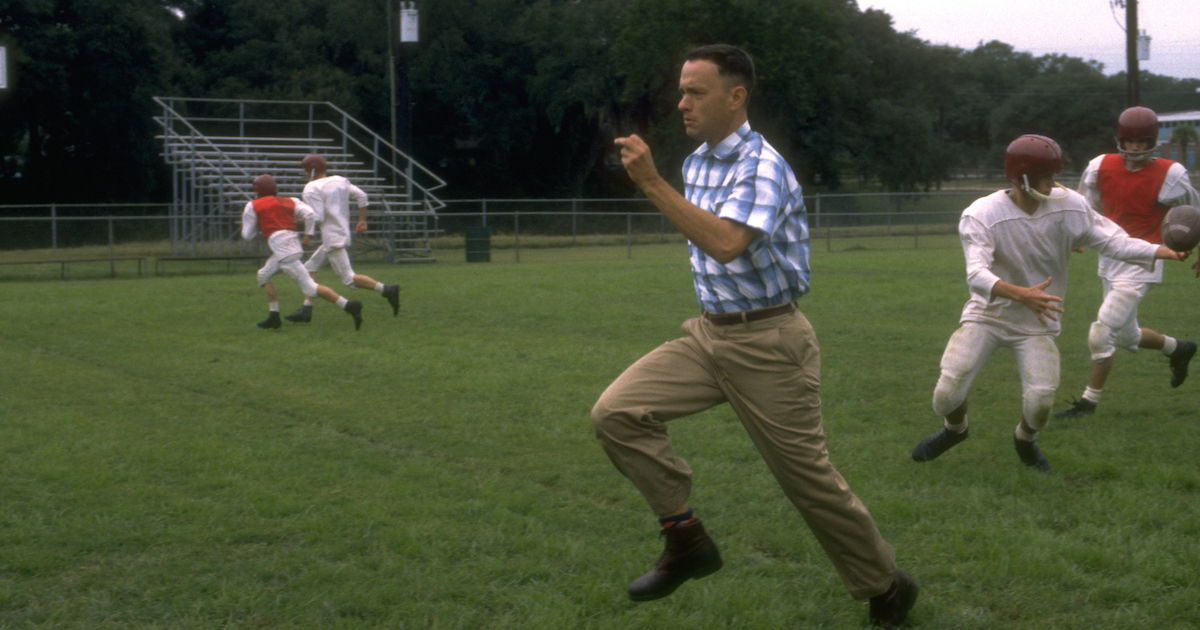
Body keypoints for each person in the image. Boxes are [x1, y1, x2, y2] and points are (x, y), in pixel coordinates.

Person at [590, 44, 917, 628]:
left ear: (735, 97)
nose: (681, 102)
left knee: (809, 485)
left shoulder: (763, 166)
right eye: (682, 90)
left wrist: (650, 184)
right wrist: (666, 182)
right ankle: (686, 539)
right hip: (708, 336)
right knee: (616, 413)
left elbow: (725, 242)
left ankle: (886, 586)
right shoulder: (697, 164)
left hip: (770, 343)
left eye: (696, 91)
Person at [911, 135, 1189, 471]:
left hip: (1037, 322)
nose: (1054, 184)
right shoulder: (981, 213)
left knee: (1041, 401)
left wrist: (1163, 251)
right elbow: (976, 276)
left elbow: (1115, 242)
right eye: (1047, 176)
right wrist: (1022, 293)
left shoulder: (1068, 206)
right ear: (1022, 178)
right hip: (988, 316)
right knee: (947, 391)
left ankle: (1025, 441)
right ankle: (955, 430)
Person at [1055, 107, 1200, 419]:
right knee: (1126, 335)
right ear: (1119, 139)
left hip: (1145, 258)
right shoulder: (1100, 166)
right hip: (1110, 255)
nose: (1134, 147)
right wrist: (1075, 236)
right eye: (1129, 141)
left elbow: (1194, 211)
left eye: (1141, 141)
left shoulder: (1171, 173)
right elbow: (1084, 208)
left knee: (1102, 330)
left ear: (1152, 140)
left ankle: (1087, 403)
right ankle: (1179, 348)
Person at [282, 154, 401, 323]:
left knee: (349, 279)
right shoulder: (339, 180)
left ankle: (387, 290)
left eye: (306, 170)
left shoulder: (311, 187)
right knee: (310, 268)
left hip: (332, 237)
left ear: (313, 170)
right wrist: (362, 220)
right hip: (340, 232)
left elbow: (318, 217)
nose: (305, 173)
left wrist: (299, 218)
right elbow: (362, 196)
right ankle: (306, 310)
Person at [241, 174, 363, 331]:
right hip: (293, 244)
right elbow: (310, 215)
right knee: (264, 274)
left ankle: (349, 305)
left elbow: (247, 235)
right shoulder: (291, 200)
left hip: (282, 249)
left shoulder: (253, 205)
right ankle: (274, 317)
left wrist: (260, 221)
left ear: (257, 189)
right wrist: (307, 237)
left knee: (310, 288)